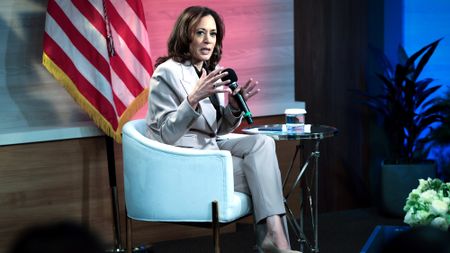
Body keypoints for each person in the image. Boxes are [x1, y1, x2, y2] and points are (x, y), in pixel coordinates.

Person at [145, 6, 299, 253]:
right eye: (200, 33)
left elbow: (215, 129)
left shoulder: (210, 70)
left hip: (211, 146)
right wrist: (192, 99)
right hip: (183, 158)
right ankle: (275, 240)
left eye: (213, 34)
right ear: (186, 35)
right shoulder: (166, 73)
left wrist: (235, 108)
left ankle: (273, 239)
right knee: (262, 173)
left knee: (263, 143)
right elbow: (165, 135)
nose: (208, 40)